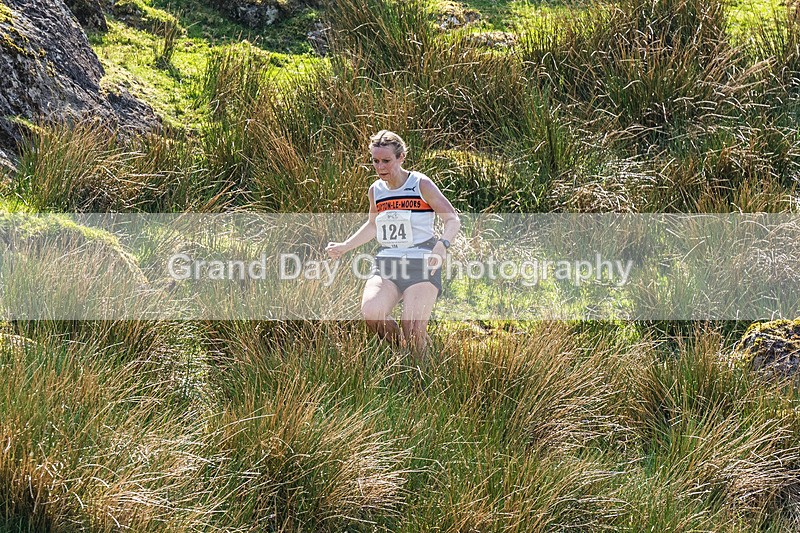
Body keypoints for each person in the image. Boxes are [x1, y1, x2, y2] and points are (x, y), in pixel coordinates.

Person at [326, 130, 460, 355]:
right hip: (388, 263)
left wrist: (442, 244)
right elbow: (373, 225)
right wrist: (345, 246)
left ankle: (421, 370)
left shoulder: (420, 184)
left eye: (386, 161)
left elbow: (452, 219)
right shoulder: (376, 190)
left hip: (422, 263)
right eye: (375, 161)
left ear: (401, 157)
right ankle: (404, 352)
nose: (380, 167)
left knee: (414, 328)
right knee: (372, 314)